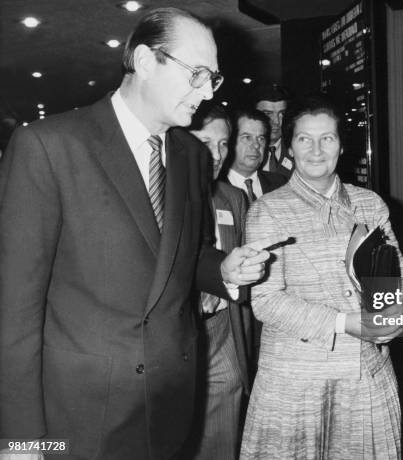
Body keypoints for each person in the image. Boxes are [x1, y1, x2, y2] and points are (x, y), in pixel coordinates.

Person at [0, 8, 270, 460]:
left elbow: (178, 251)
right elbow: (14, 312)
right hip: (80, 416)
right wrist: (20, 441)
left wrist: (219, 266)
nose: (206, 92)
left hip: (169, 405)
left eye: (214, 80)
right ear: (145, 61)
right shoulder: (50, 146)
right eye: (198, 74)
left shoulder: (190, 155)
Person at [240, 94, 403, 459]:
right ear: (289, 146)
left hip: (366, 374)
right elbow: (267, 301)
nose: (316, 150)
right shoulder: (268, 211)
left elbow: (400, 275)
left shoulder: (370, 204)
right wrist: (343, 322)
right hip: (295, 382)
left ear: (341, 145)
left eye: (328, 138)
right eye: (304, 138)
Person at [188, 106, 254, 460]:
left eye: (223, 143)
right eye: (204, 142)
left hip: (223, 333)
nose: (215, 155)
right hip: (174, 335)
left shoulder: (232, 198)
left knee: (221, 438)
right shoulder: (152, 196)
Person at [225, 108, 286, 201]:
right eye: (247, 137)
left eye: (261, 138)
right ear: (230, 141)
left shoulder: (280, 184)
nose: (256, 145)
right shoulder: (213, 189)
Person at [253, 83, 293, 179]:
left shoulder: (298, 151)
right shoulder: (239, 154)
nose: (276, 121)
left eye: (282, 113)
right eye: (268, 114)